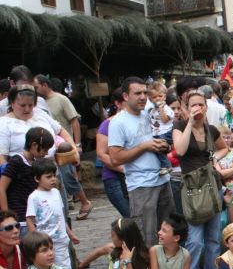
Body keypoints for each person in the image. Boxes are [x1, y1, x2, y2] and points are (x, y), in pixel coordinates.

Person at [109, 77, 174, 248]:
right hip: (141, 185)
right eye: (137, 93)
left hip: (163, 179)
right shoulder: (117, 122)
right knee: (147, 237)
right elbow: (115, 158)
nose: (143, 97)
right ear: (125, 96)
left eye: (145, 93)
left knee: (168, 233)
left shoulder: (149, 113)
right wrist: (144, 147)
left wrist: (164, 145)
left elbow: (164, 132)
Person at [171, 90, 224, 269]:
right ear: (186, 108)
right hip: (193, 189)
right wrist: (191, 124)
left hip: (212, 186)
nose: (197, 108)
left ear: (206, 106)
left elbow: (224, 148)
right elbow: (180, 150)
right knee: (195, 241)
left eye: (200, 104)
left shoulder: (212, 130)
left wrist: (214, 159)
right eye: (193, 104)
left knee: (213, 238)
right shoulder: (179, 126)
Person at [32, 75, 93, 219]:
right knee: (59, 181)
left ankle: (84, 202)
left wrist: (76, 145)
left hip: (63, 147)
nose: (35, 90)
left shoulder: (61, 99)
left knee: (67, 177)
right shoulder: (41, 103)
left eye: (36, 87)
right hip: (50, 150)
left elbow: (74, 122)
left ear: (45, 85)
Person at [26, 159, 79, 269]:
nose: (53, 179)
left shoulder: (56, 192)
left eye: (54, 176)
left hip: (61, 240)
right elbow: (30, 219)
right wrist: (36, 240)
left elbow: (61, 216)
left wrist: (71, 234)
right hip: (45, 243)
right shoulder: (34, 197)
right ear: (37, 179)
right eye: (48, 177)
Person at [0, 127, 53, 235]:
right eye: (44, 149)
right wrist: (7, 215)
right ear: (34, 145)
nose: (46, 153)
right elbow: (2, 187)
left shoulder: (34, 163)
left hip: (32, 215)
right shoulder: (17, 161)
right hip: (19, 216)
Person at [97, 88, 130, 217]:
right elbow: (101, 155)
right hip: (114, 178)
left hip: (135, 177)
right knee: (131, 216)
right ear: (118, 103)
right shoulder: (107, 124)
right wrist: (123, 169)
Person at [146, 81, 175, 175]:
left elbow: (165, 120)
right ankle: (162, 165)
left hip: (165, 133)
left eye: (160, 96)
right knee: (156, 150)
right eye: (154, 97)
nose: (157, 98)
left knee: (158, 149)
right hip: (157, 133)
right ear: (150, 99)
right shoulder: (152, 110)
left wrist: (161, 108)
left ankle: (167, 166)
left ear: (165, 97)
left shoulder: (167, 109)